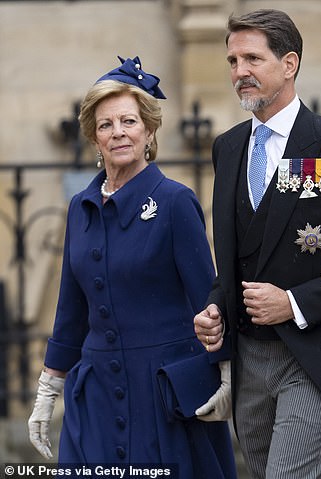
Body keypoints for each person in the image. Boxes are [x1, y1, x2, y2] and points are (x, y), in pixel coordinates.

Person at [192, 9, 321, 479]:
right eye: (232, 60)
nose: (239, 72)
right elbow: (240, 254)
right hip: (249, 360)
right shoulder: (226, 148)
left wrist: (294, 302)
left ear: (290, 64)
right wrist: (215, 308)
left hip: (318, 357)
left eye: (252, 58)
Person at [27, 56, 237, 478]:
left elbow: (210, 301)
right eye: (106, 125)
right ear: (94, 136)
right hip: (97, 397)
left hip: (165, 396)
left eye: (129, 121)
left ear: (149, 131)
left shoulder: (176, 201)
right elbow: (71, 309)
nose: (118, 132)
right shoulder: (79, 208)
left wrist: (228, 372)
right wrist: (49, 389)